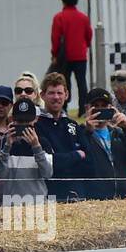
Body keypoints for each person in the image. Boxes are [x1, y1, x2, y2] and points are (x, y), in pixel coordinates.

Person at [35, 71, 90, 202]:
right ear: (42, 95)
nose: (56, 97)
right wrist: (76, 155)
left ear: (66, 95)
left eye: (59, 93)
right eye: (51, 93)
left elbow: (90, 165)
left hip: (78, 195)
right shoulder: (36, 126)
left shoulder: (73, 125)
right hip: (50, 197)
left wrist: (61, 160)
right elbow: (48, 164)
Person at [82, 87, 126, 200]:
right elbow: (82, 163)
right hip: (97, 199)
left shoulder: (119, 133)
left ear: (111, 108)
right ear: (87, 108)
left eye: (104, 106)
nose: (100, 109)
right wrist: (87, 132)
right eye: (96, 106)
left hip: (125, 197)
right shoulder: (81, 133)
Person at [0, 98, 52, 201]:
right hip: (11, 204)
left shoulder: (43, 143)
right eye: (20, 122)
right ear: (13, 120)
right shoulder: (4, 143)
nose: (24, 126)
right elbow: (0, 174)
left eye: (27, 122)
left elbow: (47, 173)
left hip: (38, 204)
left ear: (35, 119)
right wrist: (7, 147)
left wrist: (36, 147)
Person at [51, 0, 93, 109]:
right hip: (80, 55)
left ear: (63, 1)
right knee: (81, 82)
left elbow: (55, 38)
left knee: (64, 82)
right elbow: (88, 35)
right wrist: (85, 46)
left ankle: (64, 107)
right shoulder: (83, 17)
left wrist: (54, 54)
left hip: (64, 56)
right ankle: (83, 108)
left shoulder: (59, 17)